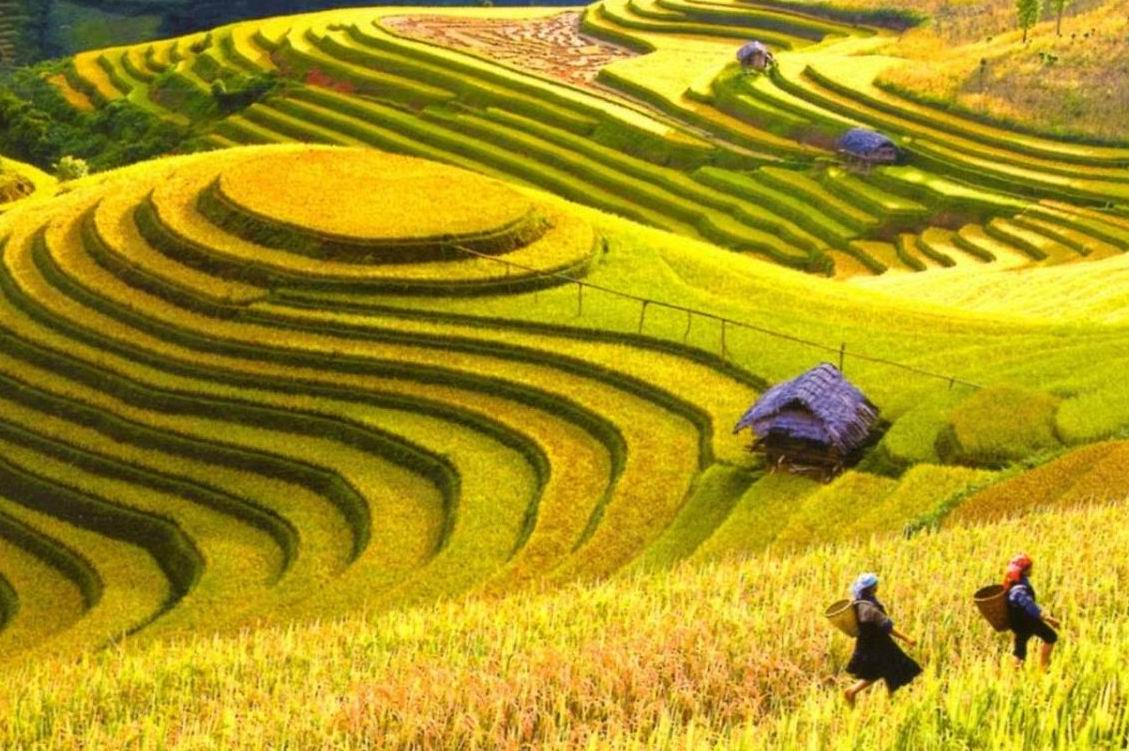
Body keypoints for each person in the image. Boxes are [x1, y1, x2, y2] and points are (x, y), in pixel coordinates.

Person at [843, 572, 922, 706]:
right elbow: (887, 627)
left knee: (886, 670)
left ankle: (891, 700)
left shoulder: (858, 604)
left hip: (869, 643)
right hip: (879, 644)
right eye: (875, 585)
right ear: (872, 588)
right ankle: (852, 691)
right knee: (891, 669)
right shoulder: (869, 608)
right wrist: (907, 638)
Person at [1004, 553, 1060, 671]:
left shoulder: (1015, 583)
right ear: (1024, 571)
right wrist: (1049, 619)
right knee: (1051, 637)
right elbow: (1030, 607)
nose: (1032, 570)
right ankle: (1043, 668)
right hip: (1027, 621)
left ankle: (1013, 674)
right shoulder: (1019, 589)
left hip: (1018, 623)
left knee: (1020, 650)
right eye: (1030, 568)